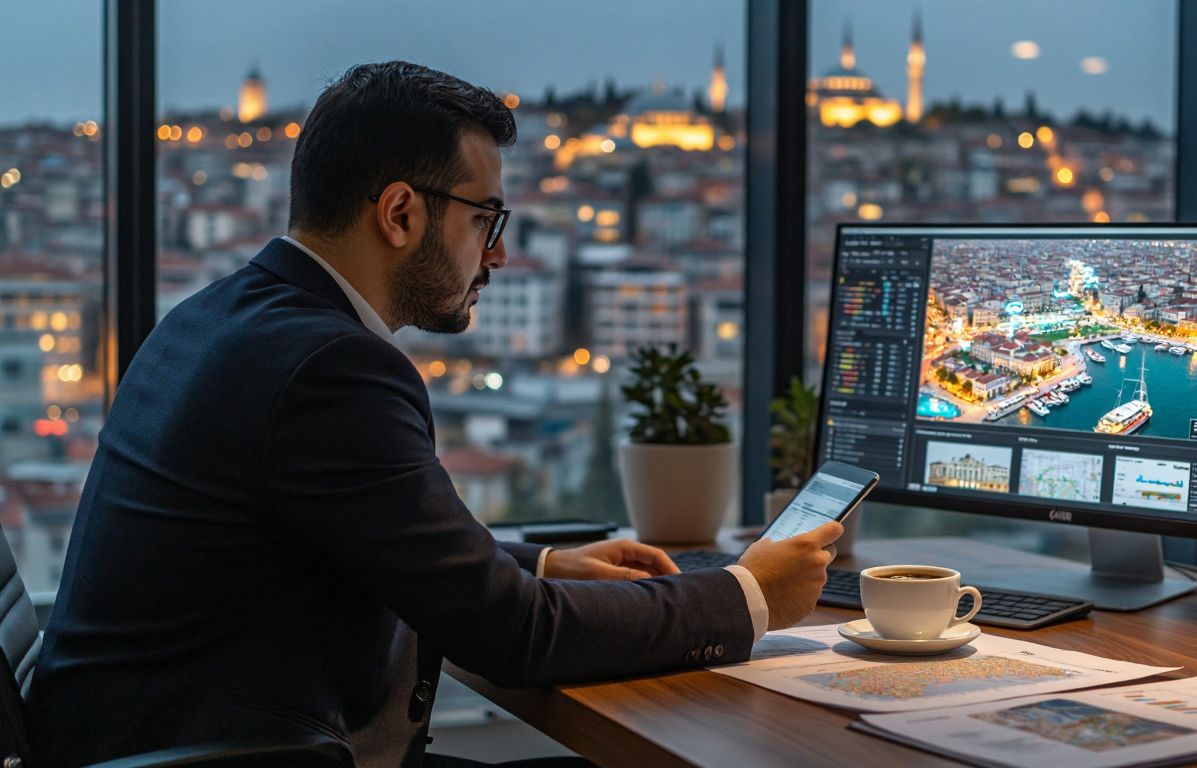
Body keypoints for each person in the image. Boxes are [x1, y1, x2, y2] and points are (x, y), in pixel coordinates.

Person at [26, 61, 842, 768]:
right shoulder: (331, 368)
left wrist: (547, 564)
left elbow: (362, 531)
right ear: (400, 213)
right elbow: (513, 638)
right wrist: (749, 595)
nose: (498, 256)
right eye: (485, 219)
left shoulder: (217, 317)